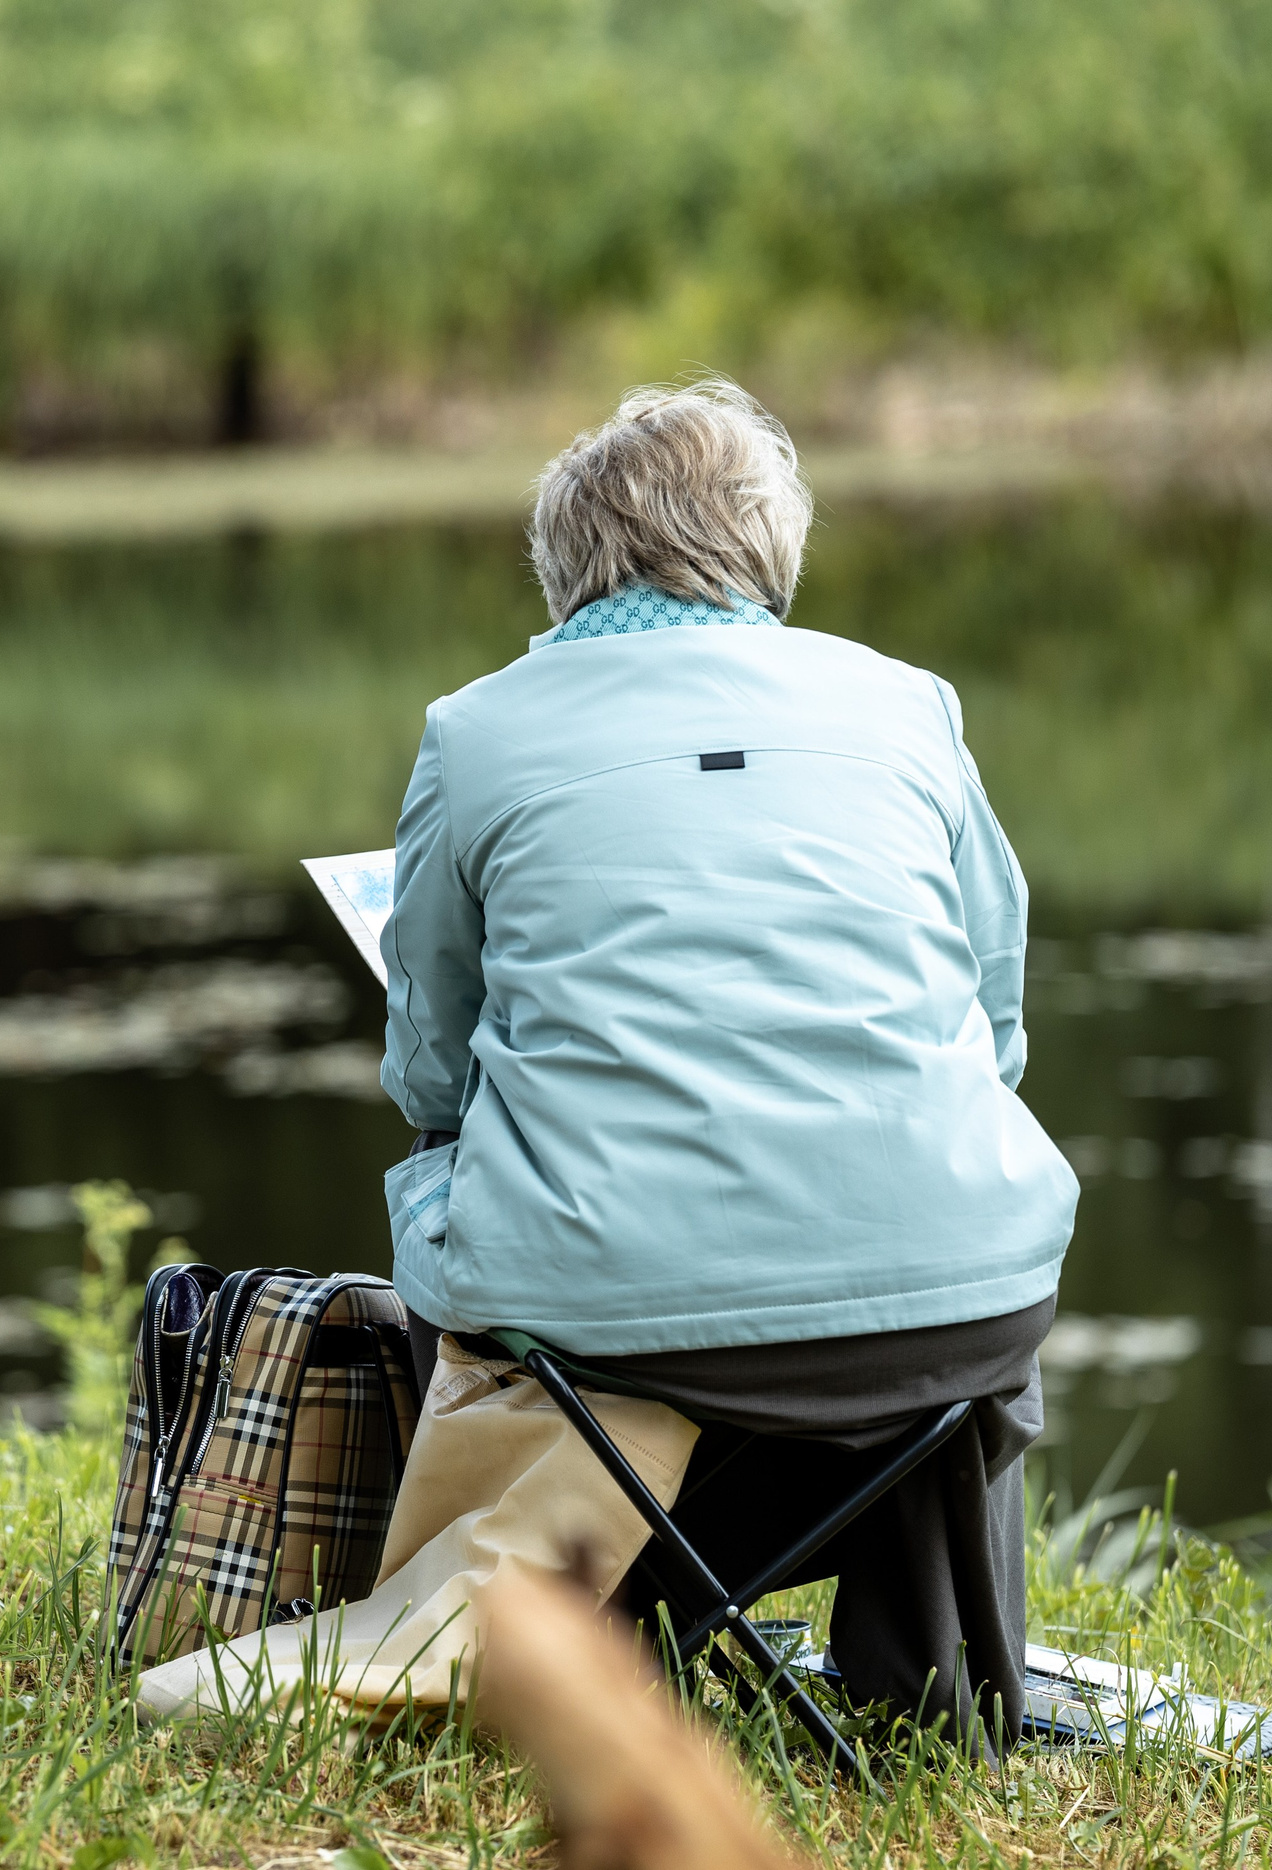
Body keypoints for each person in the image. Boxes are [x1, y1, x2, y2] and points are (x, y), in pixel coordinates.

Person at [380, 379, 1077, 1748]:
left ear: (568, 559)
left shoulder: (478, 729)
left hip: (608, 1327)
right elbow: (994, 1025)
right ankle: (928, 1664)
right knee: (960, 1179)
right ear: (770, 544)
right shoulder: (907, 704)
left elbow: (429, 1063)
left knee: (440, 1179)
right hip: (951, 1322)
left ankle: (557, 1605)